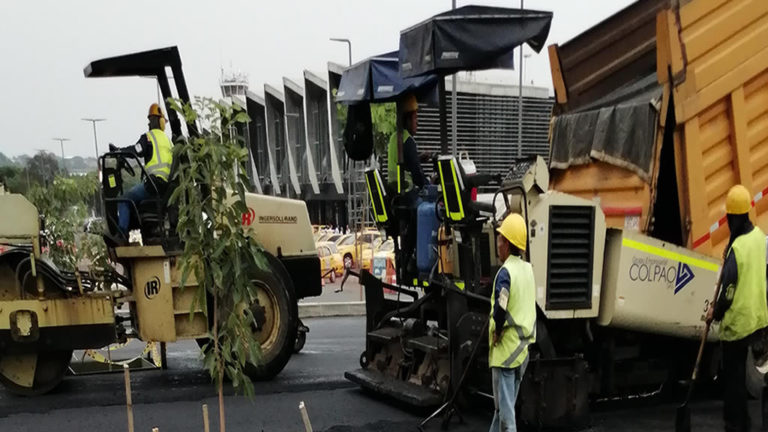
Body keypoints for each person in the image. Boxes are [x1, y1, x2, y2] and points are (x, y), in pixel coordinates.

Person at [706, 184, 768, 432]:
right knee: (751, 381)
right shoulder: (758, 238)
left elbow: (728, 292)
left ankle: (736, 426)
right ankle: (750, 424)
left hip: (738, 327)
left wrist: (715, 312)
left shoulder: (737, 249)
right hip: (759, 322)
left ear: (732, 217)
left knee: (733, 383)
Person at [489, 213, 536, 432]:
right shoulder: (527, 270)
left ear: (506, 243)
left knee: (507, 416)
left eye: (500, 239)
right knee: (502, 410)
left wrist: (497, 331)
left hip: (506, 351)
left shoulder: (506, 272)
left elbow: (501, 305)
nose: (497, 243)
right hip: (523, 350)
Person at [111, 103, 174, 235]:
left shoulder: (149, 137)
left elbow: (136, 150)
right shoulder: (168, 141)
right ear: (162, 122)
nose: (149, 124)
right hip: (165, 188)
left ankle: (121, 234)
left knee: (124, 199)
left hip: (153, 186)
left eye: (150, 120)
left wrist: (119, 152)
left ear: (153, 121)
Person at [387, 93, 428, 193]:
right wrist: (428, 184)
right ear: (408, 120)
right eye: (415, 118)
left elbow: (405, 163)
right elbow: (416, 174)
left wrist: (419, 159)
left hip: (394, 192)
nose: (417, 122)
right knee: (432, 207)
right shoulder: (408, 141)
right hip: (407, 193)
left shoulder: (393, 137)